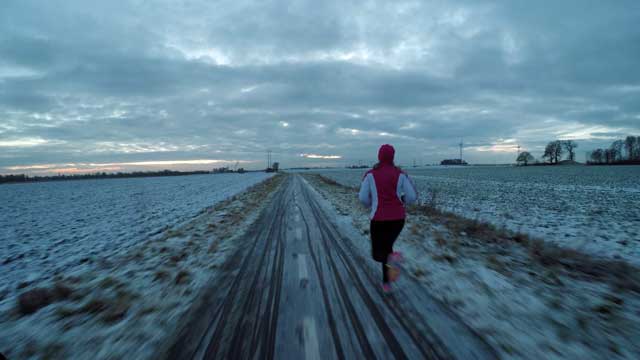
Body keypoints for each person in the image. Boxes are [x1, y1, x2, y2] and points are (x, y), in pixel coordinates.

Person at [358, 144, 418, 292]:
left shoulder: (370, 174)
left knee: (379, 252)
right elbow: (411, 197)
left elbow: (363, 198)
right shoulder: (401, 174)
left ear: (379, 156)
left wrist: (372, 204)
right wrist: (401, 200)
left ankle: (392, 266)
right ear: (393, 157)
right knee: (387, 250)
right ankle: (387, 283)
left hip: (378, 219)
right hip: (398, 220)